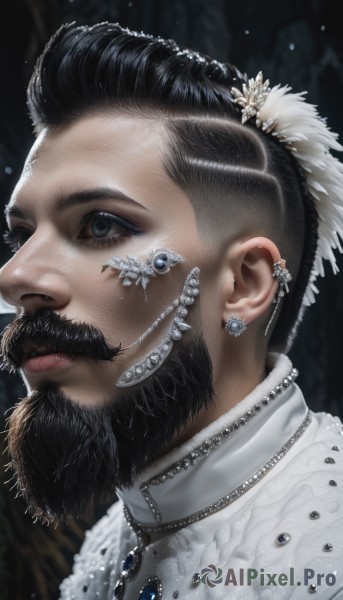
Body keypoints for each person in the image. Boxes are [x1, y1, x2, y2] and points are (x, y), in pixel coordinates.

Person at [0, 21, 343, 600]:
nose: (15, 280)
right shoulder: (111, 540)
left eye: (100, 225)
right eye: (20, 236)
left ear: (242, 284)